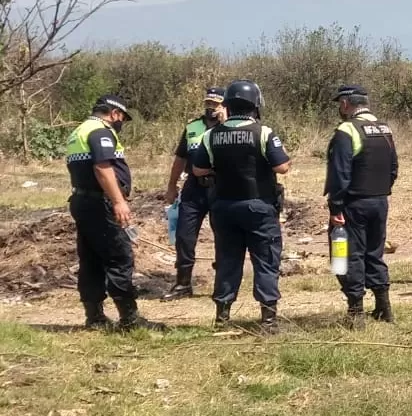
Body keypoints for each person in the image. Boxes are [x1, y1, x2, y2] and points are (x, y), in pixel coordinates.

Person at [190, 80, 291, 333]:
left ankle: (222, 318)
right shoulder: (264, 133)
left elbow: (198, 169)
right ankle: (268, 321)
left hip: (224, 207)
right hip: (259, 207)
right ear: (255, 105)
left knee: (227, 261)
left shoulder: (211, 135)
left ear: (229, 105)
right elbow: (282, 166)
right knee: (266, 260)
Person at [65, 95, 164, 331]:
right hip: (101, 204)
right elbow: (102, 167)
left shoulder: (79, 131)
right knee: (119, 257)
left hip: (82, 200)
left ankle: (94, 317)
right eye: (122, 118)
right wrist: (118, 201)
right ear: (114, 113)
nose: (122, 124)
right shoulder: (100, 132)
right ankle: (130, 320)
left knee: (90, 259)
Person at [325, 84, 399, 326]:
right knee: (374, 253)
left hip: (353, 204)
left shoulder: (347, 130)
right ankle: (383, 307)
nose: (339, 108)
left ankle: (355, 311)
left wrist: (335, 208)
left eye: (340, 103)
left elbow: (340, 174)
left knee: (347, 256)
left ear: (346, 104)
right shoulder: (384, 129)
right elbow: (393, 168)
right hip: (379, 201)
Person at [161, 87, 227, 301]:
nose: (211, 108)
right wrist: (172, 186)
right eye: (208, 103)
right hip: (194, 187)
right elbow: (180, 159)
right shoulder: (192, 127)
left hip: (220, 188)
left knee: (224, 236)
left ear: (224, 106)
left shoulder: (230, 128)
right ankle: (182, 283)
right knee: (184, 235)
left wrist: (225, 122)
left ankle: (223, 282)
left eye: (216, 104)